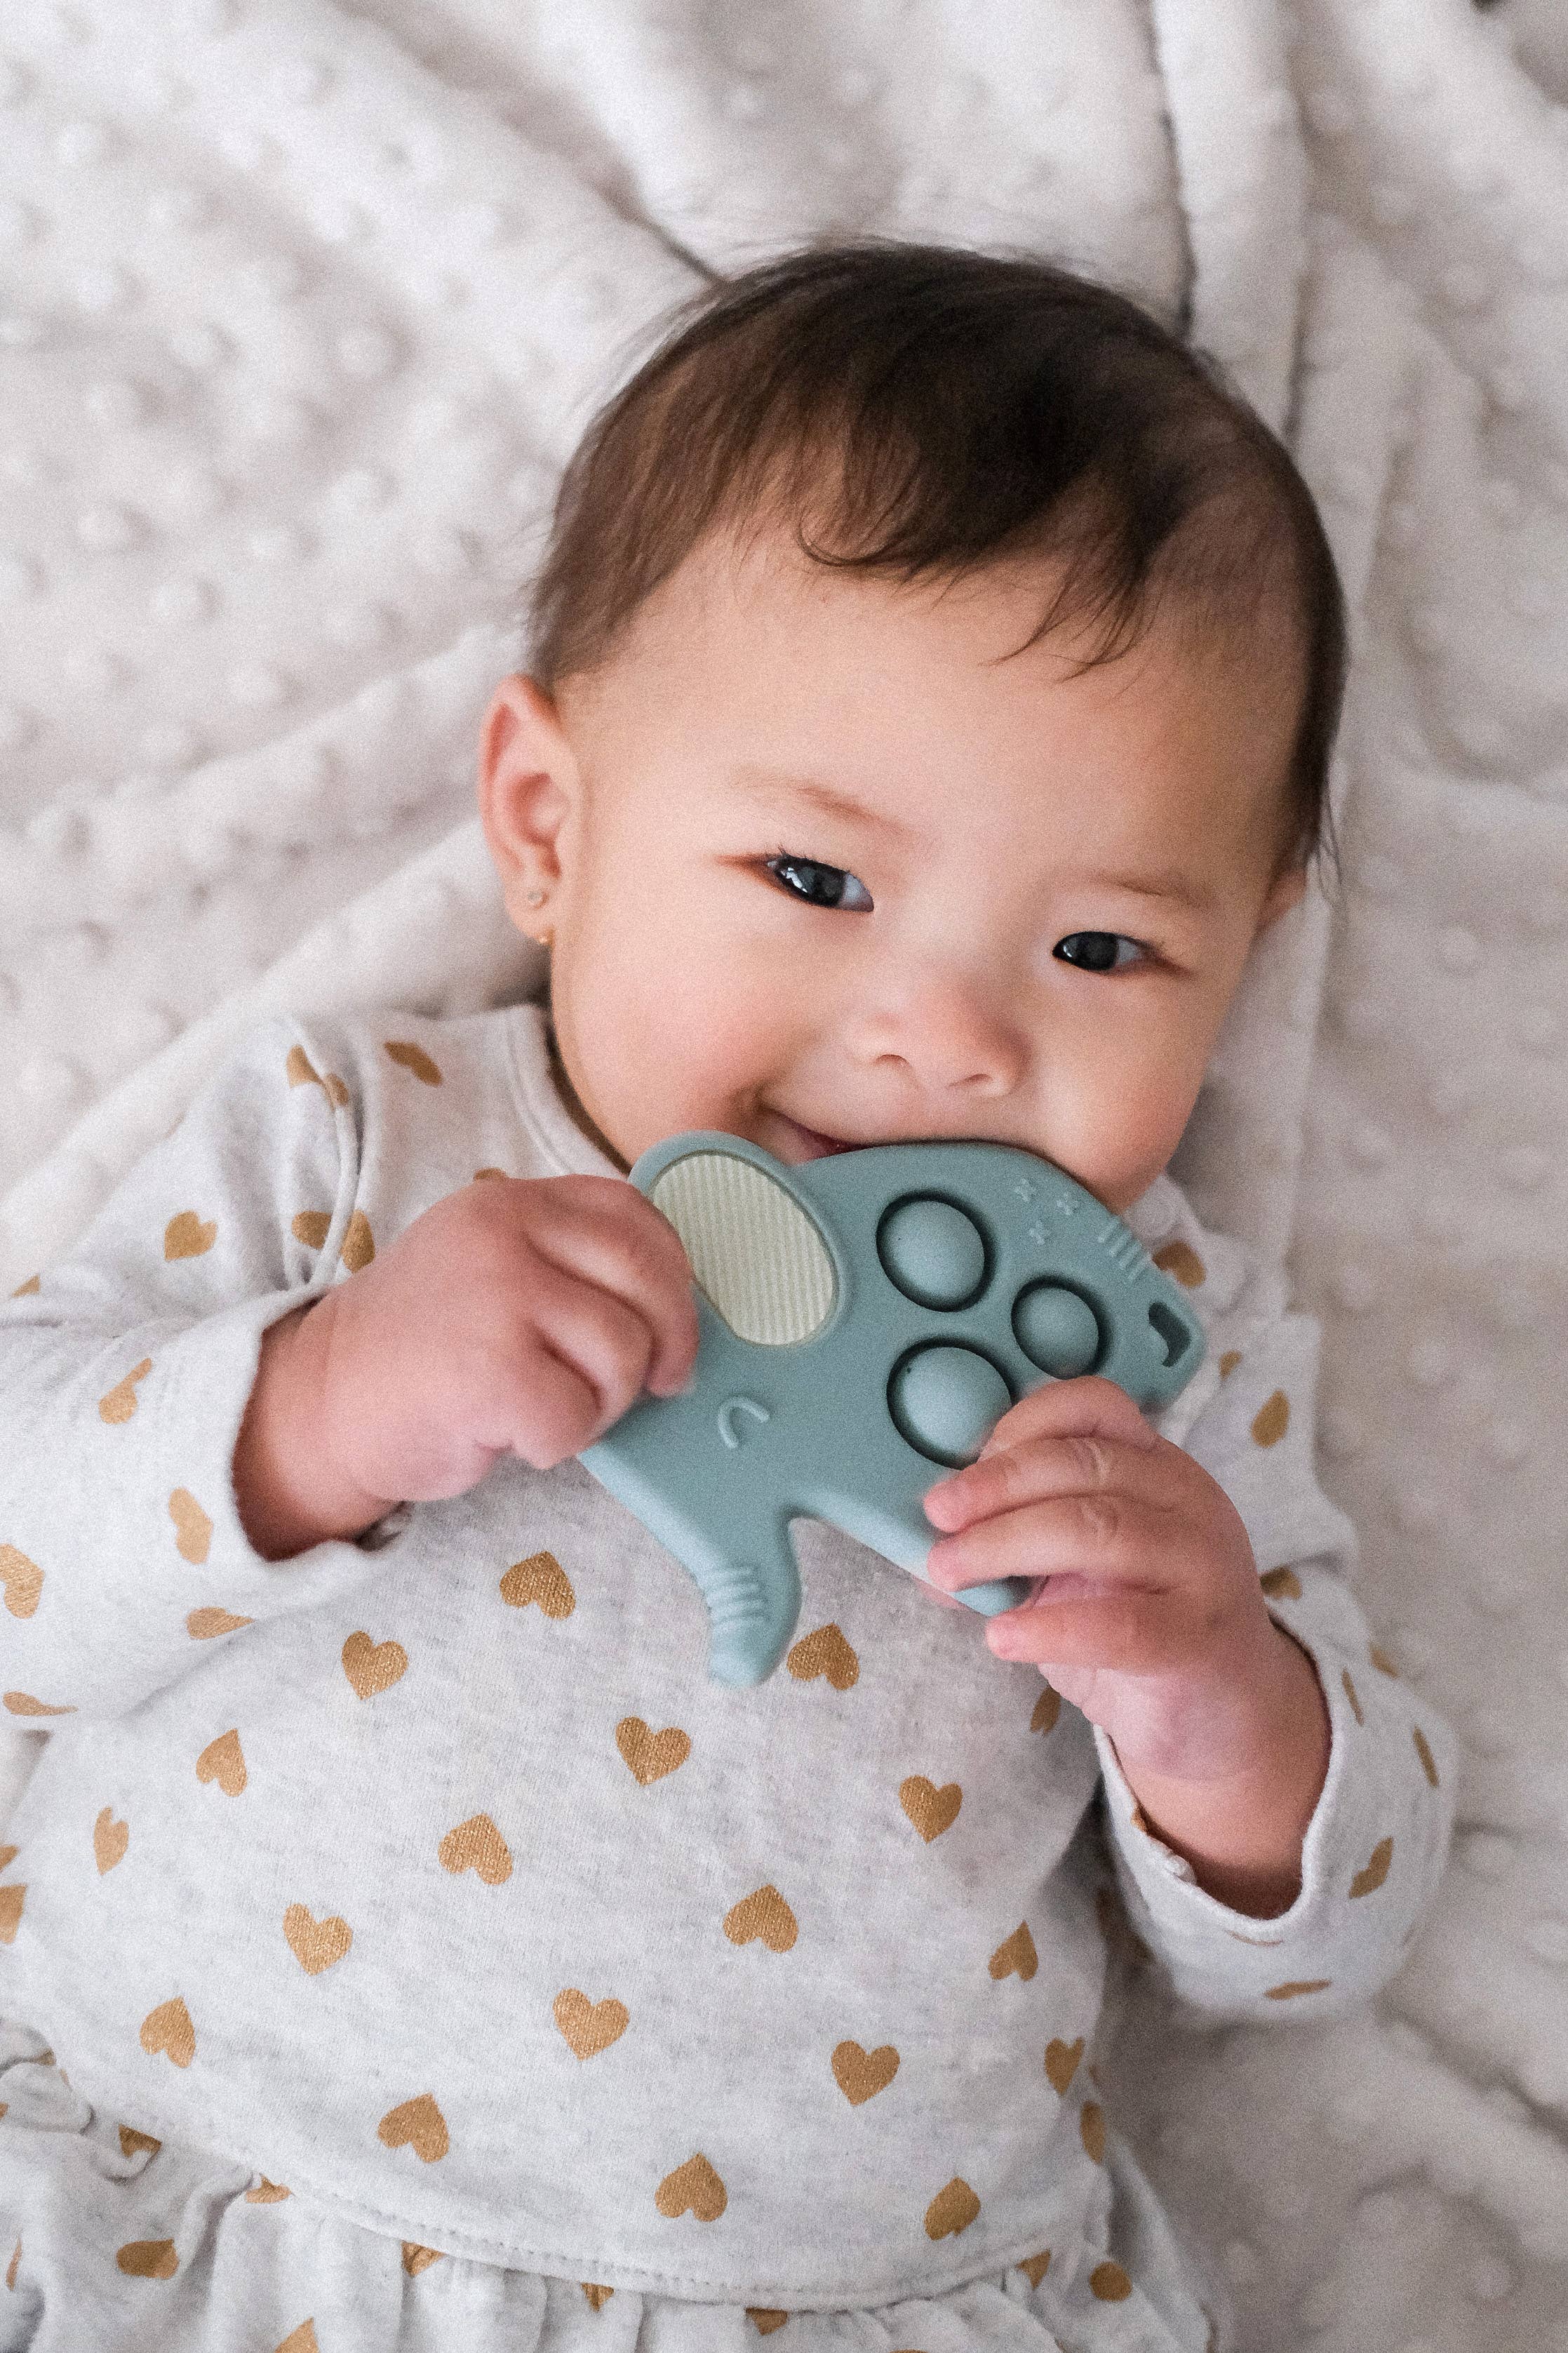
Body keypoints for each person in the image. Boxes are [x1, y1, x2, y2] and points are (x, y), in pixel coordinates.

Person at [0, 241, 1454, 2353]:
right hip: (194, 2204)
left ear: (1248, 953)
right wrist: (310, 1407)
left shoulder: (1143, 1368)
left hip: (839, 2296)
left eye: (1103, 954)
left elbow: (1324, 1953)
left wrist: (1220, 1702)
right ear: (547, 824)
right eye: (815, 882)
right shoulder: (364, 1143)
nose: (938, 1037)